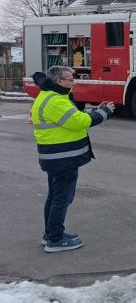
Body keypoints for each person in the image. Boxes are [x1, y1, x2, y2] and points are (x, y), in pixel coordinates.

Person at [31, 66, 114, 253]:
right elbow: (79, 122)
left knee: (54, 197)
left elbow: (74, 116)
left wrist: (94, 110)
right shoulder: (55, 100)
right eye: (70, 79)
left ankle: (51, 233)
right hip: (62, 158)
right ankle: (55, 240)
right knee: (61, 199)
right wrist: (105, 112)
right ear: (59, 81)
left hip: (56, 157)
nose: (73, 82)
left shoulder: (52, 96)